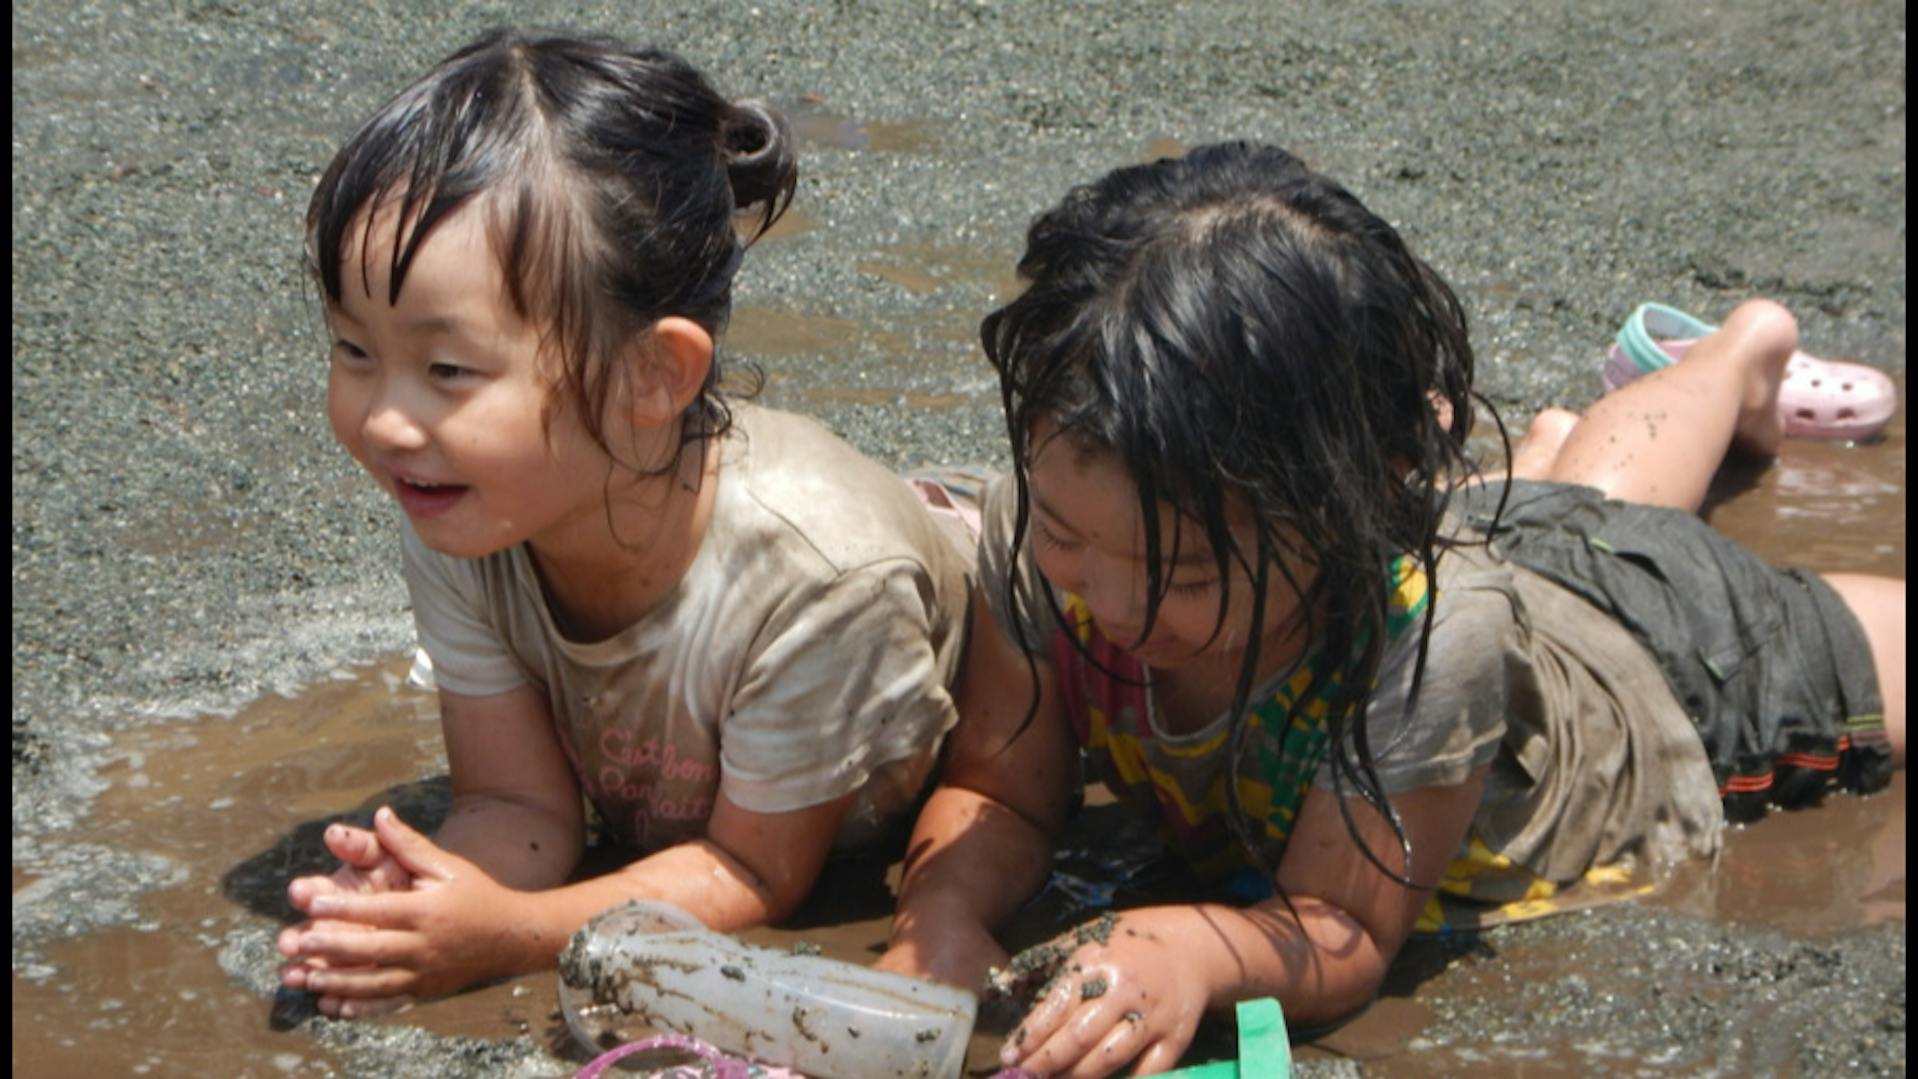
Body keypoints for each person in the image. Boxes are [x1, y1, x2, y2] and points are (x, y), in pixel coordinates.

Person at [875, 141, 1905, 1077]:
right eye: (1064, 531)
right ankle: (1731, 359)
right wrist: (948, 911)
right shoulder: (1043, 535)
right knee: (1575, 508)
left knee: (1658, 554)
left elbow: (1339, 926)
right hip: (1500, 552)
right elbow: (1005, 796)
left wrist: (1185, 945)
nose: (1102, 597)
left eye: (1183, 573)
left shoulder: (1421, 639)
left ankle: (1730, 357)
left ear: (1357, 499)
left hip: (1675, 677)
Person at [275, 30, 977, 1019]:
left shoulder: (821, 578)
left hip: (1030, 598)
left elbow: (756, 871)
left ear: (655, 373)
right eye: (353, 348)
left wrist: (507, 936)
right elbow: (515, 804)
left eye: (447, 371)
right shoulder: (464, 500)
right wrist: (425, 900)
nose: (387, 421)